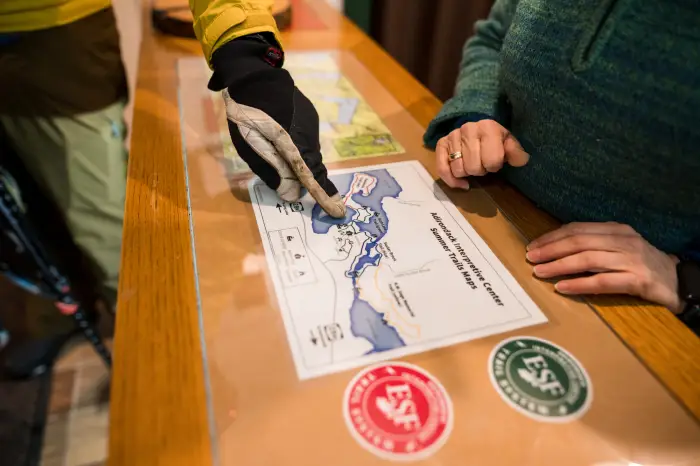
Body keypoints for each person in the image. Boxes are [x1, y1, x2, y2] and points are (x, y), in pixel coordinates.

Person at [0, 0, 342, 376]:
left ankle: (162, 363)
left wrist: (246, 55)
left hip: (52, 32)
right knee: (25, 208)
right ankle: (55, 312)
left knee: (101, 220)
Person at [424, 0, 700, 328]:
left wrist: (688, 281)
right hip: (494, 214)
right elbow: (493, 40)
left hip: (631, 311)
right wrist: (476, 113)